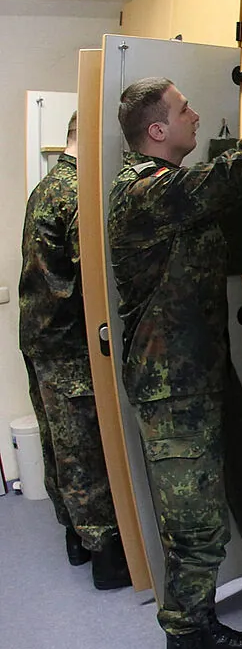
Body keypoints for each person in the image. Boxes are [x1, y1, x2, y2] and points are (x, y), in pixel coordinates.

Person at [109, 77, 242, 649]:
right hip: (169, 390)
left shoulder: (177, 197)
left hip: (199, 377)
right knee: (194, 528)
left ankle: (202, 626)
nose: (195, 116)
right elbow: (230, 179)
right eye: (183, 110)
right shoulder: (144, 191)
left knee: (212, 515)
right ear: (157, 131)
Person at [19, 111, 130, 590]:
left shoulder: (48, 186)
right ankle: (105, 556)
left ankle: (75, 539)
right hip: (67, 343)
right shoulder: (77, 192)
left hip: (43, 337)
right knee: (83, 452)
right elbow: (95, 279)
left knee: (59, 444)